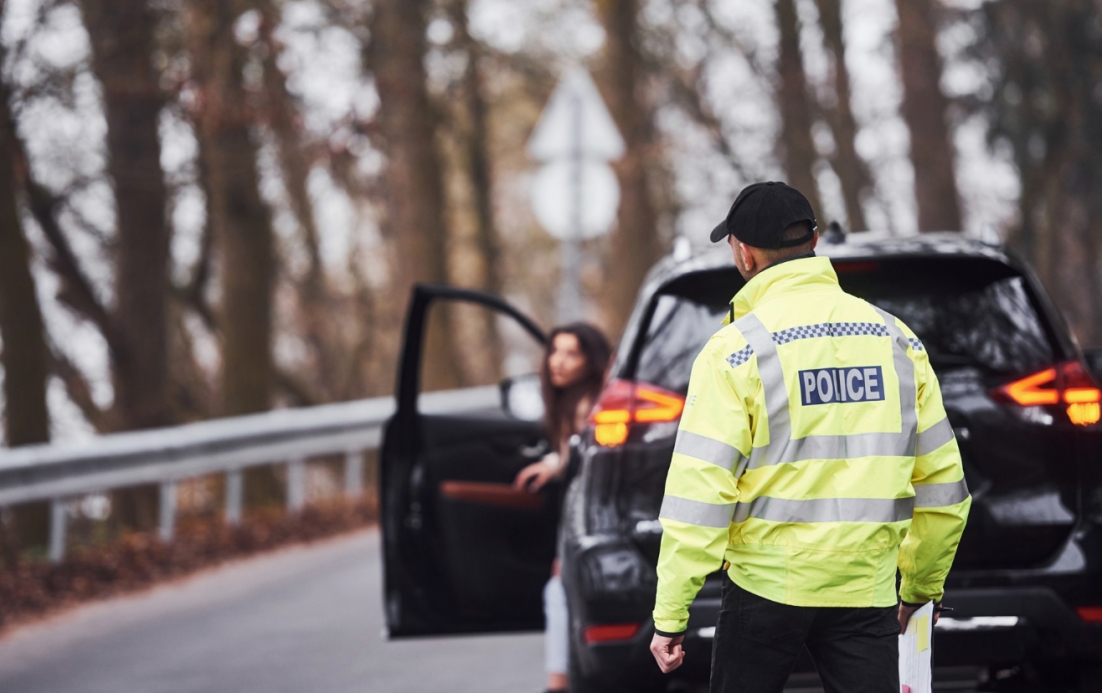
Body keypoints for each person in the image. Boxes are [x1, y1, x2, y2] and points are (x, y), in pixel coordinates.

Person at [648, 182, 971, 692]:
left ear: (745, 254)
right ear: (815, 240)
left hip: (764, 589)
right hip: (865, 590)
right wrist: (920, 586)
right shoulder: (897, 340)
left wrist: (671, 613)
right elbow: (943, 485)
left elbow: (700, 492)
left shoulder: (735, 351)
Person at [514, 323, 611, 693]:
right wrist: (554, 463)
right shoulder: (573, 401)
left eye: (571, 353)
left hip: (594, 522)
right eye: (555, 351)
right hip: (587, 521)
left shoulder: (590, 402)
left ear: (591, 360)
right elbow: (574, 457)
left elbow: (584, 478)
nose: (558, 361)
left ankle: (557, 685)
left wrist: (565, 551)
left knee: (557, 593)